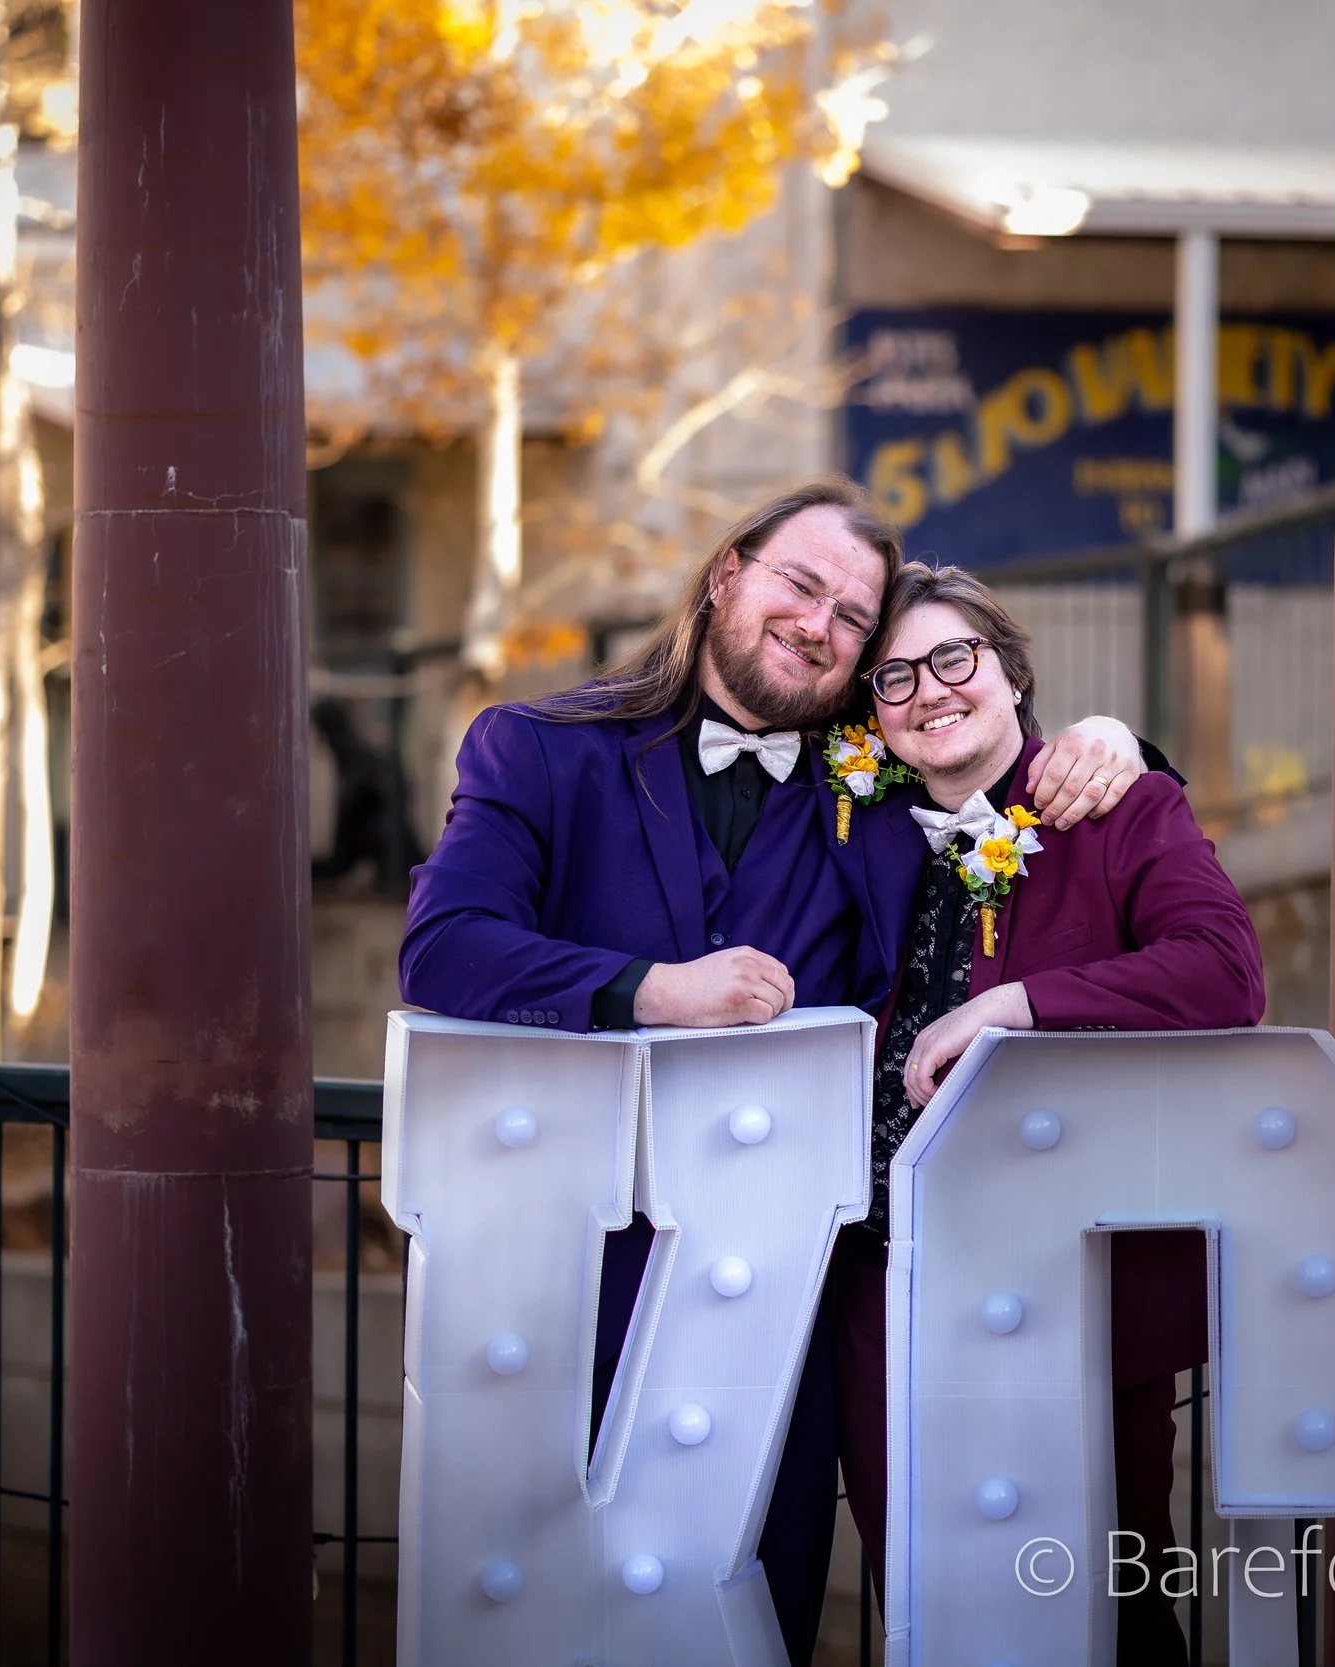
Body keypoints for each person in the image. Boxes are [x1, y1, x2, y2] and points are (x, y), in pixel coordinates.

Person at [399, 478, 1158, 1663]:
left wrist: (1111, 742)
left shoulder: (886, 780)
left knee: (764, 1611)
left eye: (854, 617)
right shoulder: (542, 749)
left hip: (782, 1309)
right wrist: (653, 989)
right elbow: (442, 947)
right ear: (726, 575)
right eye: (801, 585)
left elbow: (1011, 774)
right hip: (559, 1300)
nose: (821, 624)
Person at [828, 562, 1265, 1667]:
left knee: (1114, 1592)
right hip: (891, 1271)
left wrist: (1018, 1005)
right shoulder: (848, 826)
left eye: (952, 657)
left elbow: (1222, 972)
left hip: (1083, 1277)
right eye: (892, 677)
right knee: (924, 1591)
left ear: (1011, 672)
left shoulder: (1118, 805)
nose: (928, 689)